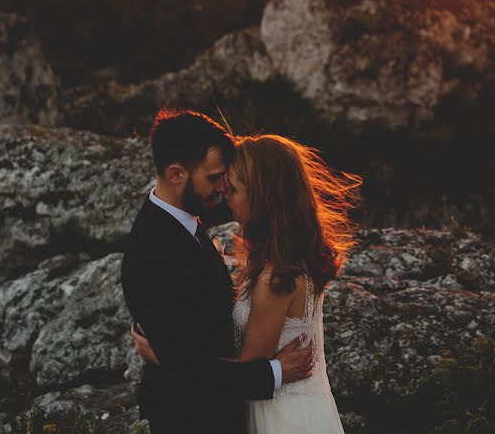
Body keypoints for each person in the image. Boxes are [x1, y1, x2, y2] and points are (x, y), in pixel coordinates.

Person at [132, 133, 361, 434]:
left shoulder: (277, 278)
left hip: (282, 416)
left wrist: (166, 355)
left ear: (263, 197)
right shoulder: (284, 260)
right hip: (297, 406)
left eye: (234, 187)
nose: (224, 193)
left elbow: (247, 371)